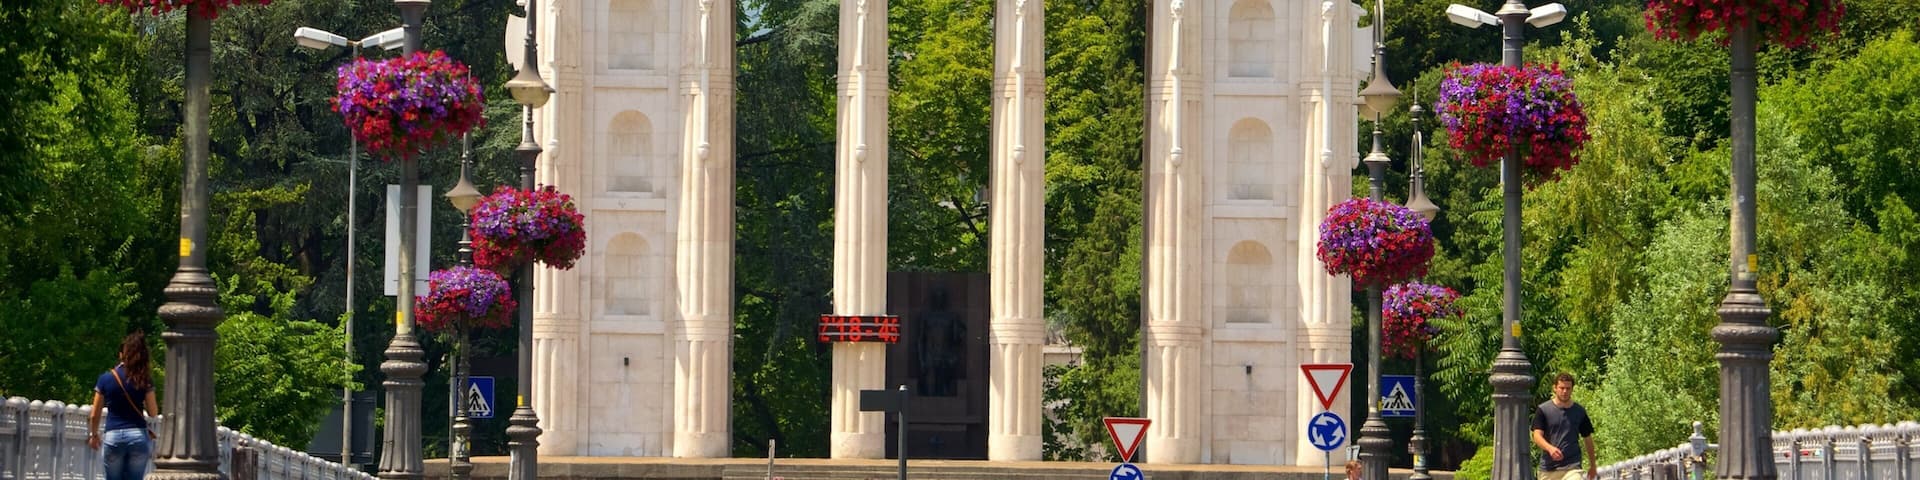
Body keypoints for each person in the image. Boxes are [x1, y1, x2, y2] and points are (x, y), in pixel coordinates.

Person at [89, 332, 159, 480]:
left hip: (113, 436)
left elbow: (94, 414)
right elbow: (153, 412)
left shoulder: (105, 379)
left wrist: (94, 435)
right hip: (137, 436)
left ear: (121, 355)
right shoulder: (144, 379)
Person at [1532, 372, 1597, 480]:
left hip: (1572, 467)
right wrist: (1550, 448)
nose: (1565, 391)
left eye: (1568, 388)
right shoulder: (1543, 410)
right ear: (1555, 388)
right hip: (1548, 469)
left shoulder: (1579, 411)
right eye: (1561, 388)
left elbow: (1588, 438)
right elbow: (1537, 436)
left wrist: (1593, 465)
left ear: (1572, 389)